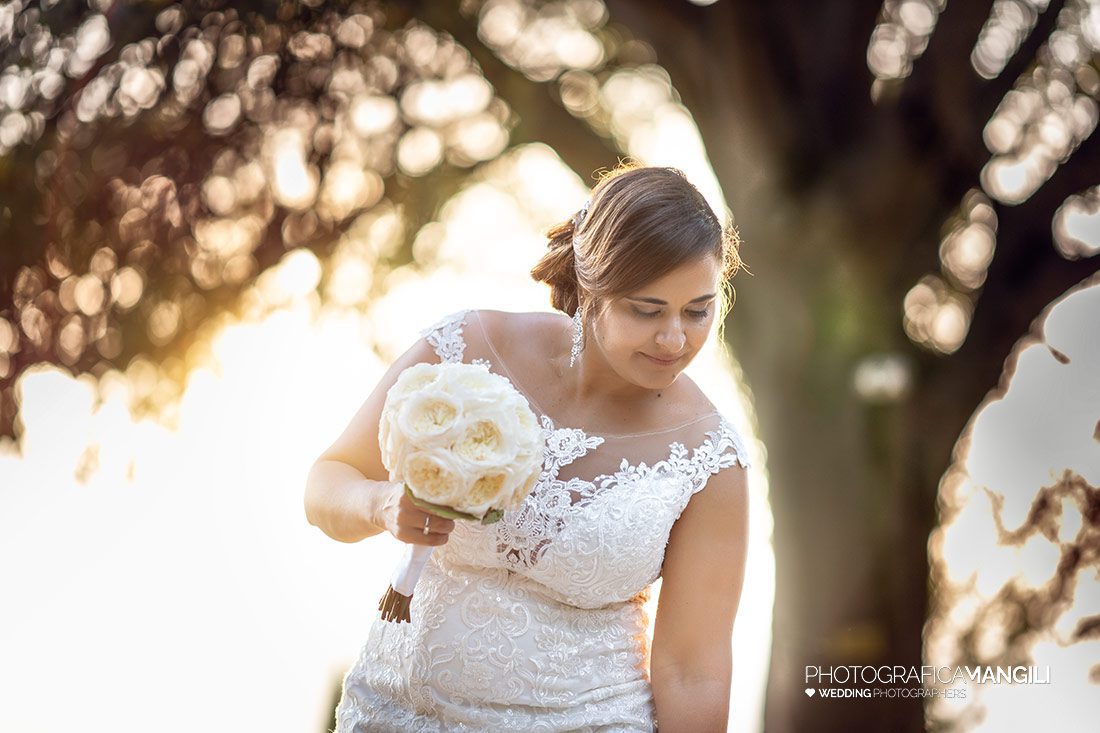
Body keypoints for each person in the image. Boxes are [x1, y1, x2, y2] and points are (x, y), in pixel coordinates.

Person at [304, 163, 754, 732]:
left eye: (697, 311)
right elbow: (327, 482)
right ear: (592, 285)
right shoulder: (467, 348)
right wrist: (380, 504)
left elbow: (694, 671)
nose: (674, 339)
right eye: (647, 310)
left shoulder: (709, 459)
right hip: (392, 714)